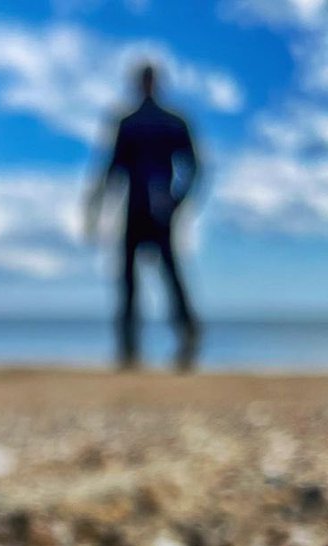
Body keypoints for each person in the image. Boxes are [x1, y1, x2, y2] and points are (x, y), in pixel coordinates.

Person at [86, 63, 201, 371]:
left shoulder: (171, 122)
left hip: (160, 212)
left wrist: (176, 201)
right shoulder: (129, 123)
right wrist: (95, 208)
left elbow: (193, 167)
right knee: (129, 280)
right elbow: (114, 168)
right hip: (135, 210)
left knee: (169, 277)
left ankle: (187, 338)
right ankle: (129, 350)